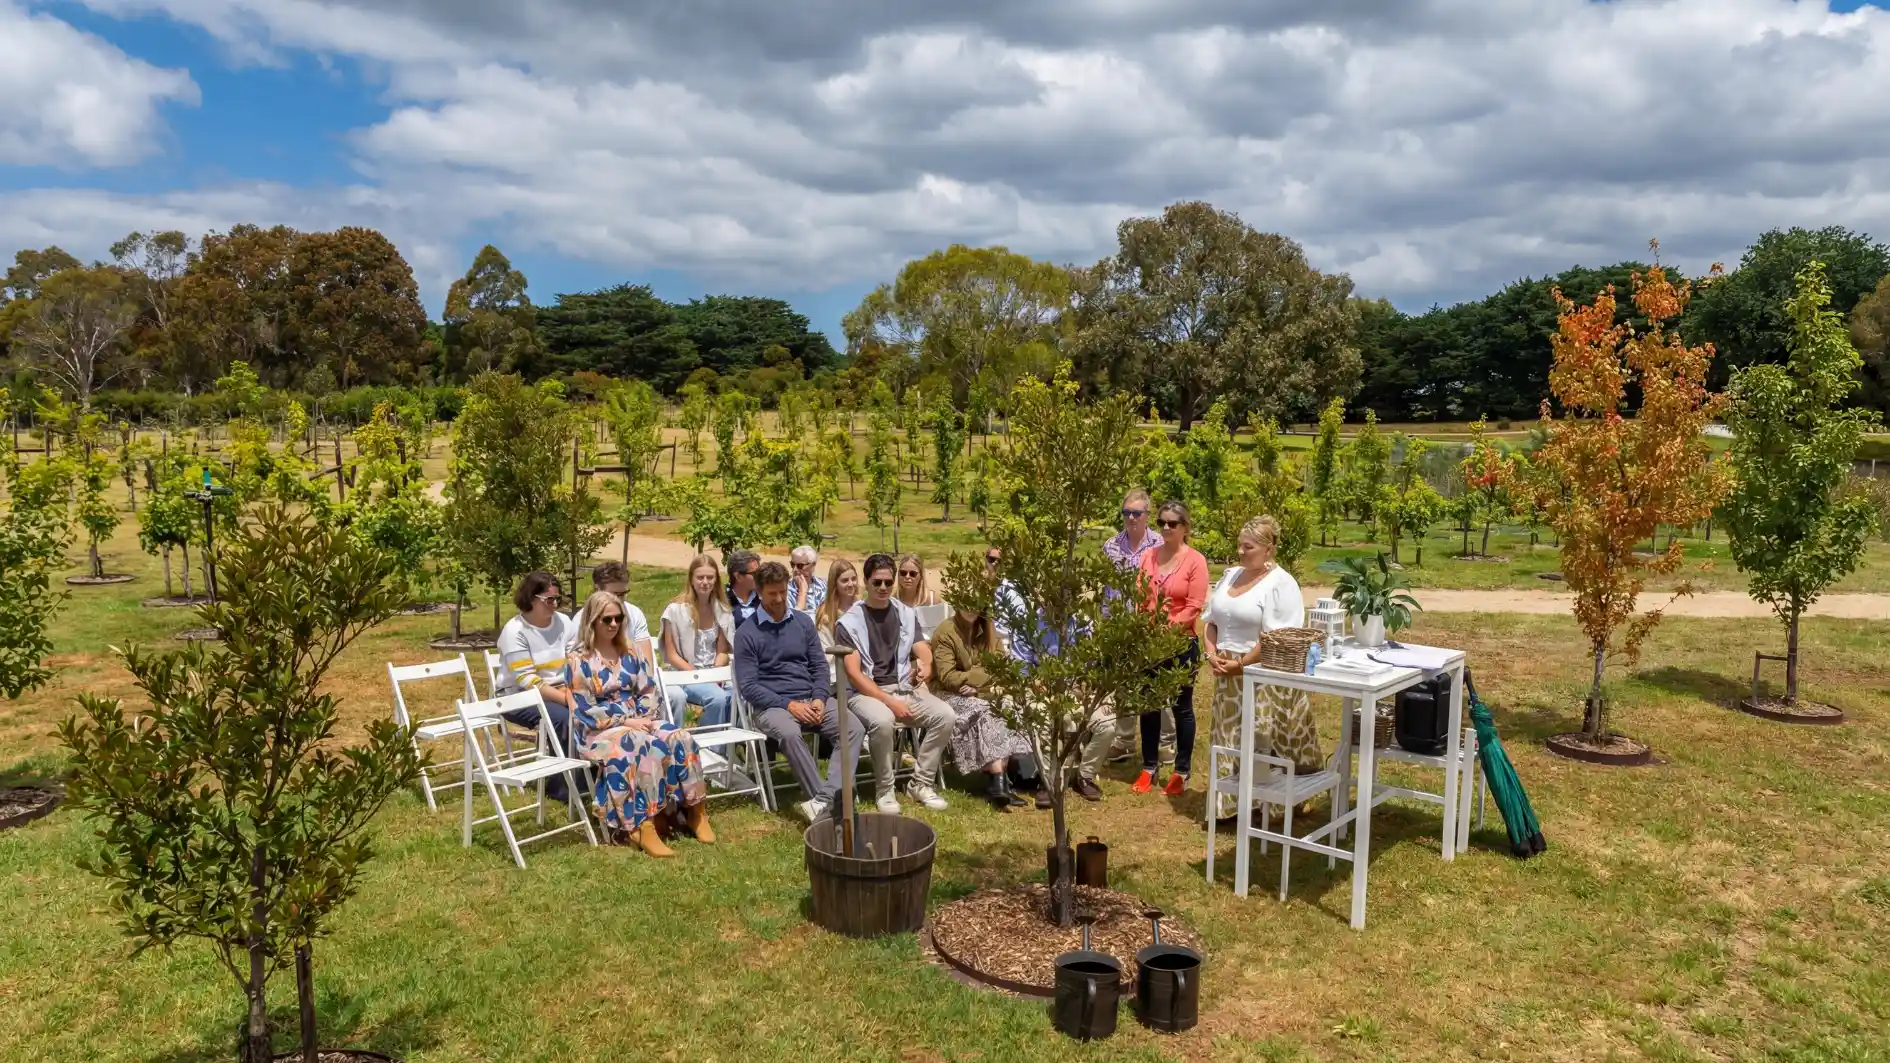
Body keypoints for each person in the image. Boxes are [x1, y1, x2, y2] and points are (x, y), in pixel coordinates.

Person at [564, 591, 710, 857]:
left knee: (680, 737)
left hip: (640, 720)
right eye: (606, 618)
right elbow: (584, 708)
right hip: (599, 729)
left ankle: (694, 811)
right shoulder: (578, 660)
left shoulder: (630, 651)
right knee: (643, 745)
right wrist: (626, 720)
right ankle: (642, 825)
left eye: (619, 618)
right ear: (592, 620)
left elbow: (647, 690)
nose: (613, 624)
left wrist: (644, 718)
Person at [1204, 515, 1316, 823]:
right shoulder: (1230, 576)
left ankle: (1271, 804)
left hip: (1262, 673)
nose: (1241, 552)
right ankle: (1228, 807)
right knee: (1227, 736)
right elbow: (1212, 621)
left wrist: (1241, 664)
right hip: (1226, 671)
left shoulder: (1281, 584)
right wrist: (1211, 652)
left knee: (1263, 736)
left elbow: (1277, 639)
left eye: (1248, 547)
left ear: (1269, 549)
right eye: (1239, 545)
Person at [733, 562, 863, 824]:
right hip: (772, 705)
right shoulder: (747, 633)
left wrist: (818, 697)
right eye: (772, 594)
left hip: (811, 698)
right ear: (759, 592)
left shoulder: (803, 623)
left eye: (783, 592)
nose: (780, 599)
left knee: (854, 728)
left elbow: (819, 667)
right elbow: (749, 687)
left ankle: (823, 801)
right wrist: (789, 705)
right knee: (790, 734)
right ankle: (829, 808)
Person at [835, 553, 957, 813]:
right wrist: (890, 702)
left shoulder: (905, 613)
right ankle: (885, 789)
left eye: (888, 583)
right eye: (877, 582)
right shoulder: (849, 623)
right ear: (865, 582)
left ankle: (921, 783)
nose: (883, 588)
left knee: (945, 715)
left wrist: (927, 664)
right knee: (883, 721)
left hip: (902, 688)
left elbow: (920, 647)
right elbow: (855, 675)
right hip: (863, 693)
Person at [931, 604, 1039, 810]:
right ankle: (998, 780)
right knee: (981, 711)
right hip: (946, 694)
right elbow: (947, 677)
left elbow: (1001, 668)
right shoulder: (945, 632)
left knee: (1008, 705)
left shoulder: (989, 630)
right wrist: (981, 675)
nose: (971, 607)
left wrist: (975, 684)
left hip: (979, 692)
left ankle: (1000, 782)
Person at [1134, 500, 1207, 796]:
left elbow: (1193, 607)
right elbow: (1139, 598)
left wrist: (1168, 629)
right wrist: (1145, 629)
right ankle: (1149, 766)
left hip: (1180, 644)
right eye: (1162, 522)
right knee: (1149, 707)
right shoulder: (1148, 557)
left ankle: (1181, 771)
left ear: (1185, 528)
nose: (1166, 527)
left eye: (1172, 523)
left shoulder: (1195, 561)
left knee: (1181, 708)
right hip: (1150, 644)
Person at [1105, 488, 1175, 768]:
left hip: (1151, 625)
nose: (1131, 518)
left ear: (1147, 515)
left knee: (1158, 685)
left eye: (1136, 513)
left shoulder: (1160, 544)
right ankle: (1124, 741)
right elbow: (1107, 590)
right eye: (1126, 513)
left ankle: (1165, 743)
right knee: (1123, 684)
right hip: (1119, 625)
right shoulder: (1110, 546)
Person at [495, 571, 578, 803]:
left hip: (560, 688)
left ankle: (590, 773)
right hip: (517, 697)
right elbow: (527, 680)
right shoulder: (515, 631)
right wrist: (566, 698)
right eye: (549, 600)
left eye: (558, 599)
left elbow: (575, 657)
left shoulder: (564, 622)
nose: (555, 605)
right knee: (565, 717)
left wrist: (572, 688)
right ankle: (561, 787)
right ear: (531, 599)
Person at [659, 555, 735, 726]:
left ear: (716, 580)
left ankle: (719, 747)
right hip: (682, 673)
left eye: (710, 577)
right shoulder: (674, 611)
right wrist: (698, 676)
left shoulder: (723, 611)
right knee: (718, 698)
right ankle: (704, 746)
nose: (705, 582)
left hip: (712, 673)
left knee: (738, 696)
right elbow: (672, 655)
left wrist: (715, 673)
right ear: (691, 580)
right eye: (700, 577)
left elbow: (722, 651)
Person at [591, 561, 654, 671]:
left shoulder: (635, 614)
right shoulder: (583, 619)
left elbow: (646, 662)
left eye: (624, 593)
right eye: (615, 594)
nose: (620, 599)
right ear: (597, 590)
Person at [814, 558, 860, 682]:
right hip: (837, 675)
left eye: (854, 579)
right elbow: (826, 653)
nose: (851, 584)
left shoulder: (862, 607)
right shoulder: (825, 615)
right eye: (845, 580)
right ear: (835, 583)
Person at [726, 548, 762, 630]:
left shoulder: (764, 597)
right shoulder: (723, 600)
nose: (759, 576)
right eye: (754, 573)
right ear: (738, 576)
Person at [789, 545, 826, 615]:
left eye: (800, 566)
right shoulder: (786, 590)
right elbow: (793, 621)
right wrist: (802, 591)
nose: (795, 570)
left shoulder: (823, 586)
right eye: (792, 565)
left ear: (813, 565)